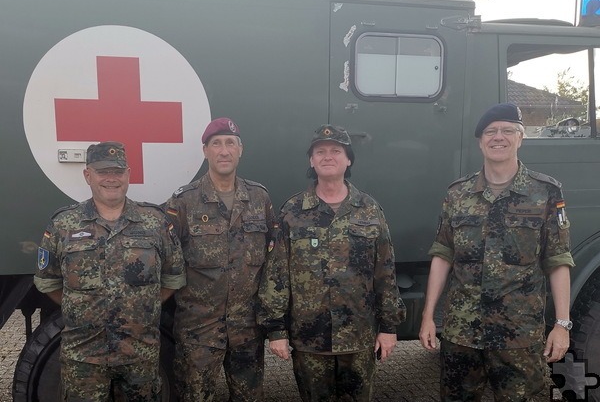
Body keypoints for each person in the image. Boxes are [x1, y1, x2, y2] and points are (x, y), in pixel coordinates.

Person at [419, 103, 575, 401]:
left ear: (520, 138)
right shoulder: (458, 194)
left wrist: (562, 325)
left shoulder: (546, 192)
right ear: (480, 141)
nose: (498, 137)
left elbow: (557, 260)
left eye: (508, 130)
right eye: (490, 131)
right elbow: (443, 254)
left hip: (518, 334)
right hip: (461, 334)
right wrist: (428, 316)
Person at [258, 125, 406, 402]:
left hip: (358, 336)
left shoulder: (370, 209)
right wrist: (276, 330)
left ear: (348, 159)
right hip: (309, 338)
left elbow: (385, 271)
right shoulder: (292, 211)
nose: (328, 156)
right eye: (320, 151)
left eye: (336, 151)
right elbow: (277, 274)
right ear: (311, 161)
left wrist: (389, 327)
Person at [34, 141, 186, 401]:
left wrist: (143, 306)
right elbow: (49, 283)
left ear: (128, 175)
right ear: (88, 175)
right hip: (84, 354)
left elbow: (173, 278)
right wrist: (83, 309)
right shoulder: (64, 224)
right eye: (103, 172)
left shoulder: (156, 222)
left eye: (117, 172)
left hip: (140, 352)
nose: (111, 179)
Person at [164, 117, 278, 401]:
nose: (224, 151)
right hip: (198, 332)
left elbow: (273, 258)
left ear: (241, 150)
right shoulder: (183, 202)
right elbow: (166, 260)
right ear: (205, 151)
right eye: (216, 144)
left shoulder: (258, 197)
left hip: (247, 331)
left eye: (230, 143)